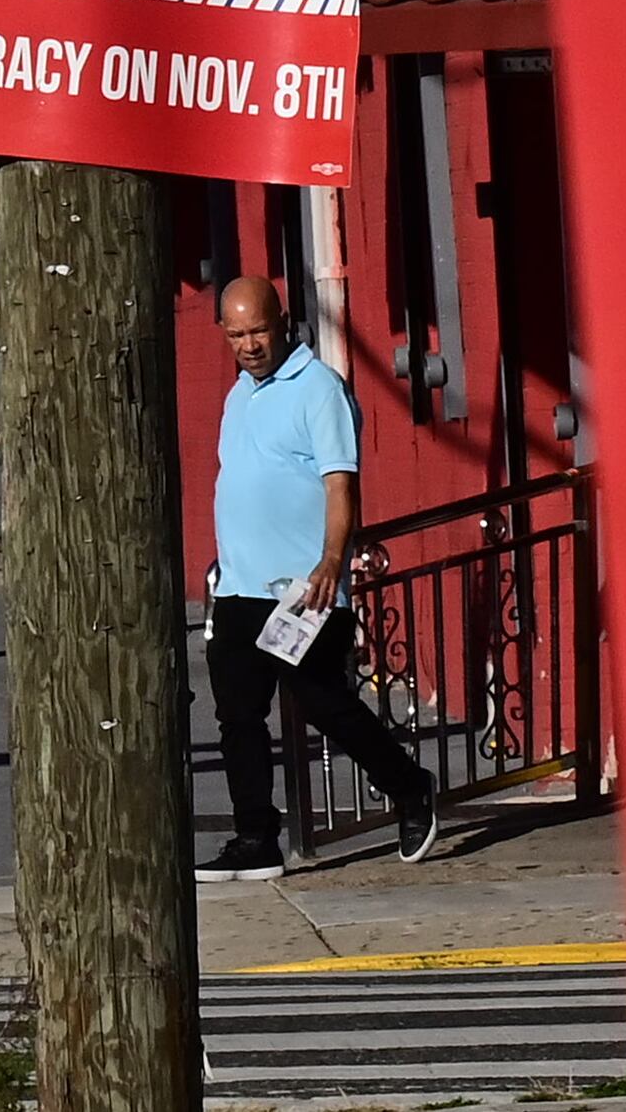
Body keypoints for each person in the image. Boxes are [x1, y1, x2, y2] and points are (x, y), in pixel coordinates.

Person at [203, 274, 439, 872]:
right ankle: (256, 838)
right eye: (236, 334)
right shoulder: (238, 396)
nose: (249, 344)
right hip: (238, 588)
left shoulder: (318, 389)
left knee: (326, 705)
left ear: (282, 323)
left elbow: (341, 482)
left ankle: (411, 787)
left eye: (258, 330)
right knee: (237, 718)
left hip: (302, 590)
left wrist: (332, 559)